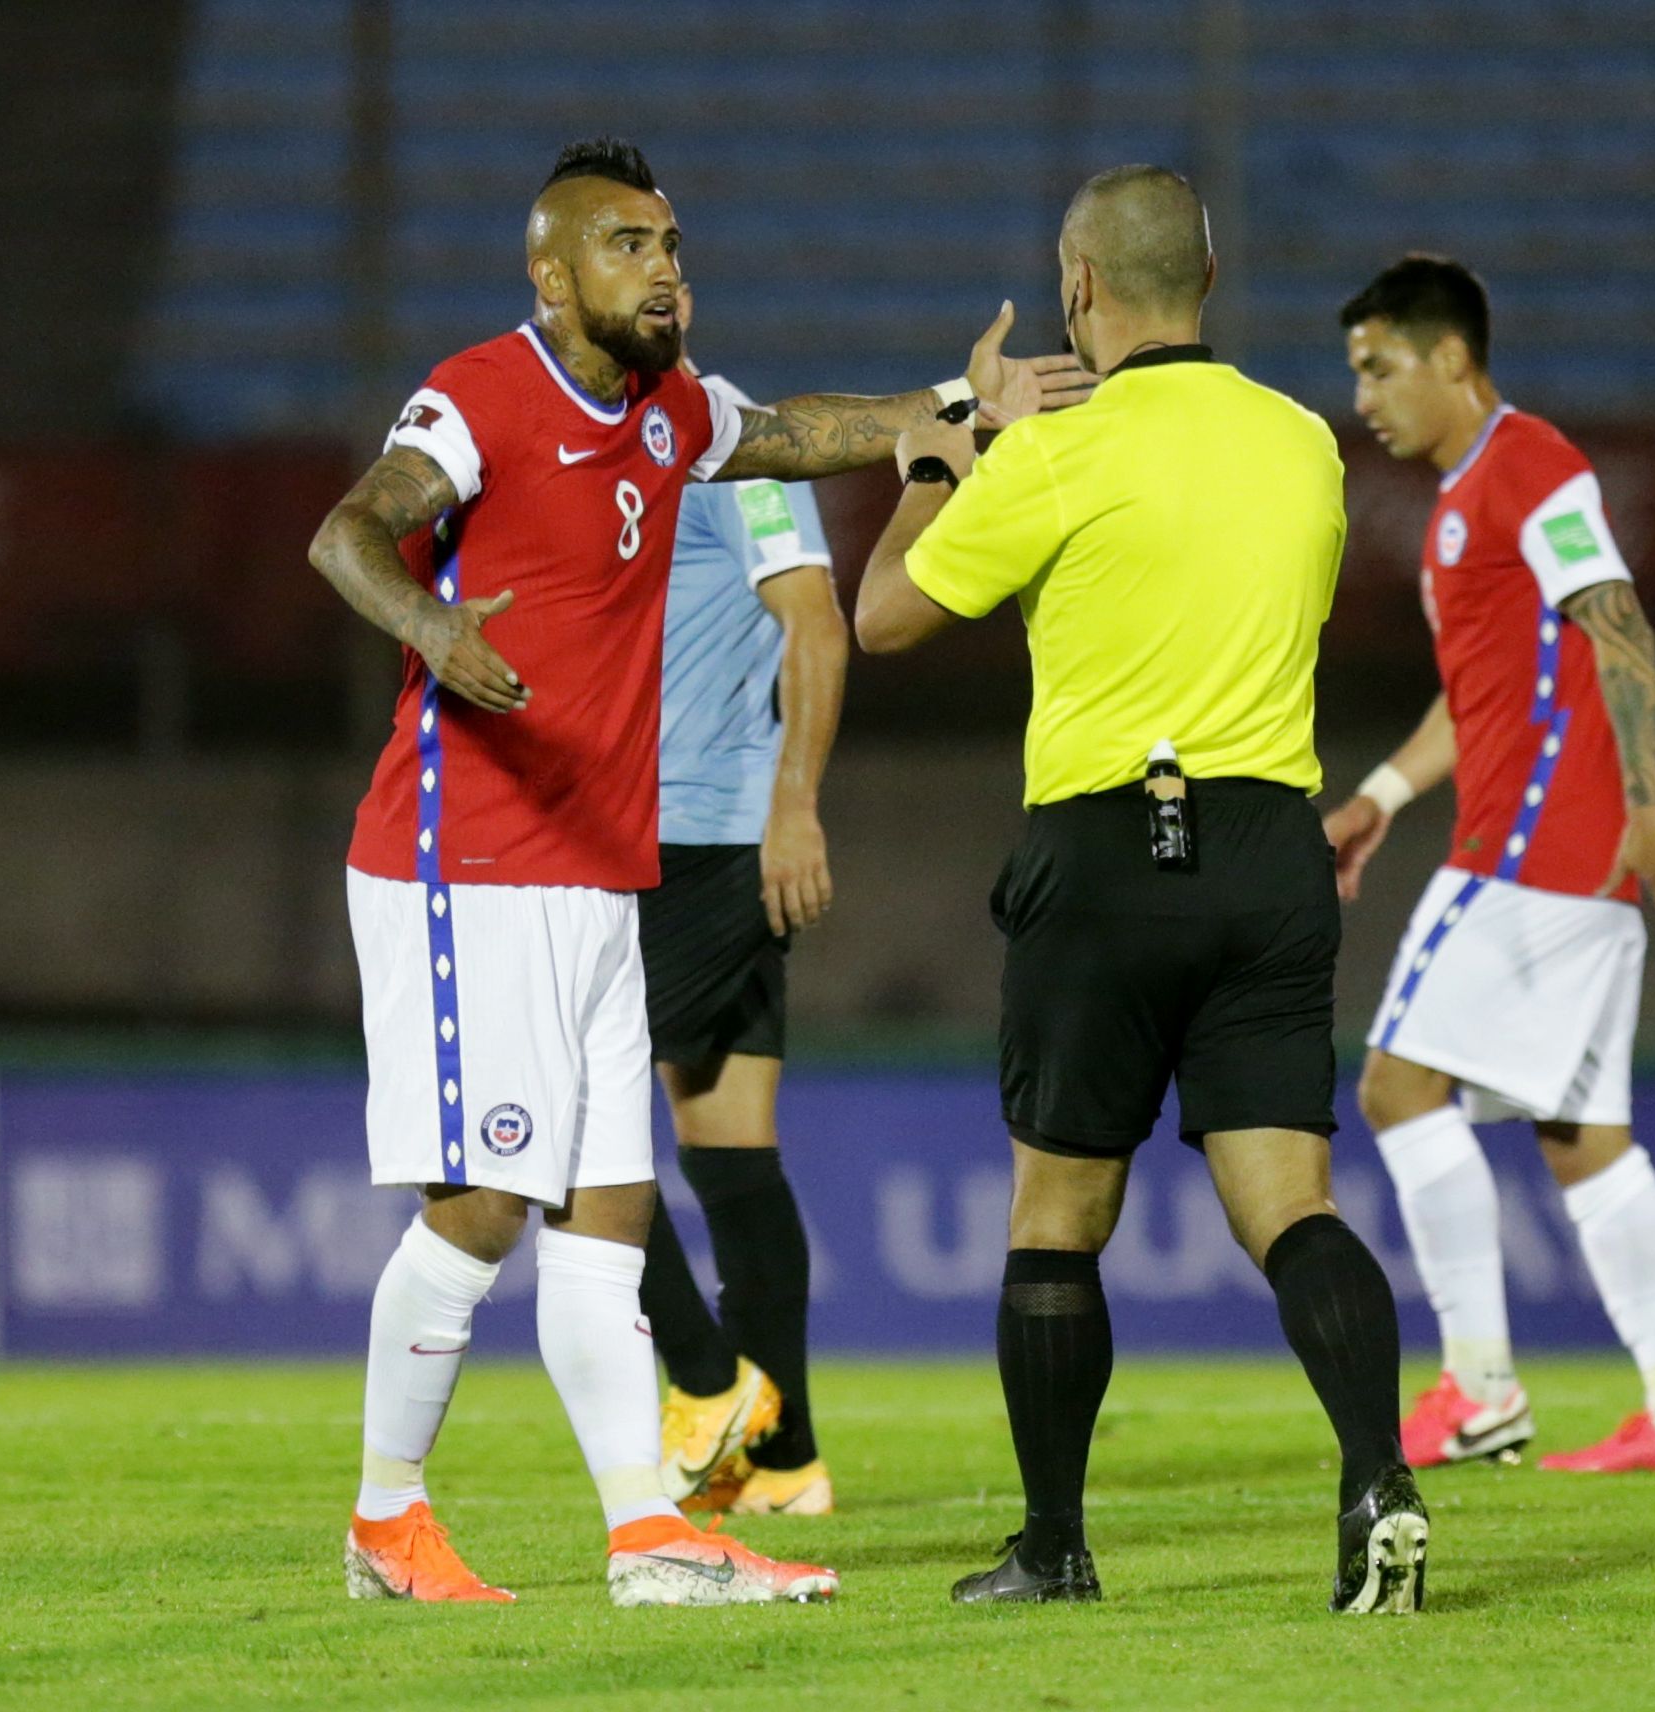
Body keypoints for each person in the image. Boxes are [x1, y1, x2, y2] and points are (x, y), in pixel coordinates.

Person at [309, 134, 1092, 1608]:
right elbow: (348, 530)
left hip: (597, 870)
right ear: (549, 276)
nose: (660, 267)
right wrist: (430, 630)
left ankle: (647, 1538)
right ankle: (385, 1521)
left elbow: (796, 432)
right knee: (482, 1208)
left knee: (606, 1213)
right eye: (623, 245)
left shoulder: (669, 415)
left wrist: (948, 399)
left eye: (667, 243)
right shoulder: (481, 395)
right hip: (464, 858)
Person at [855, 165, 1427, 1615]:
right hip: (1267, 851)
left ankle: (1054, 1548)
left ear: (1079, 289)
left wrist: (947, 447)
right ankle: (1378, 1483)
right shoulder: (1304, 442)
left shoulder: (1057, 451)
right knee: (1290, 1205)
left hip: (1108, 849)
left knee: (1055, 1218)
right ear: (1212, 284)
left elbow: (884, 615)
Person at [1325, 254, 1655, 1475]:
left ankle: (1478, 1384)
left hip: (1530, 853)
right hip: (1555, 858)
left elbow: (1618, 617)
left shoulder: (1532, 468)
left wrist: (1651, 800)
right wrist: (1379, 796)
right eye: (1356, 372)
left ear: (1452, 358)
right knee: (1581, 1133)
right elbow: (1480, 700)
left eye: (1381, 366)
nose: (1366, 397)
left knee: (1398, 1089)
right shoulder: (1464, 499)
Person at [634, 283, 845, 1519]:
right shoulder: (627, 463)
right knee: (730, 1153)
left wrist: (795, 806)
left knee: (562, 1116)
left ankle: (709, 1386)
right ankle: (785, 1461)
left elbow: (816, 625)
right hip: (680, 835)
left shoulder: (733, 455)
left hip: (705, 842)